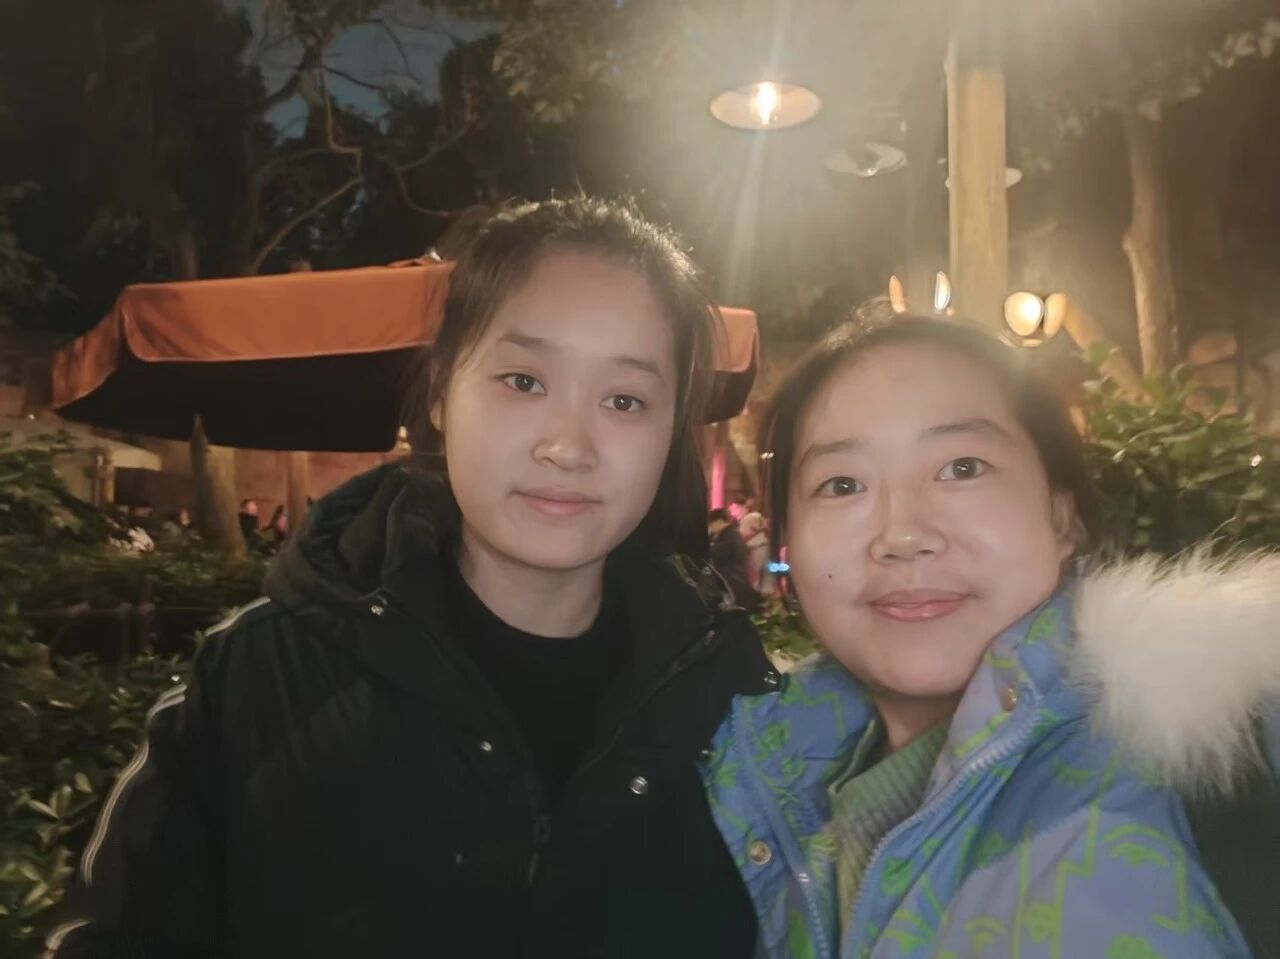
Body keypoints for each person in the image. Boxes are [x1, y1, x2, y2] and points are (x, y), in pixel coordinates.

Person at [49, 197, 775, 959]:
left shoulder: (735, 706)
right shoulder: (256, 677)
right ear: (439, 392)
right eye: (523, 380)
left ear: (670, 431)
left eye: (625, 400)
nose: (569, 446)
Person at [701, 316, 1280, 957]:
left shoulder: (1218, 752)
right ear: (786, 542)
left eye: (962, 467)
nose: (903, 535)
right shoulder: (740, 777)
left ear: (1062, 517)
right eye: (842, 485)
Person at [708, 507, 761, 612]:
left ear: (719, 521)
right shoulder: (732, 536)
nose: (710, 527)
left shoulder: (727, 539)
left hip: (732, 587)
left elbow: (713, 558)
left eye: (710, 524)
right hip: (737, 585)